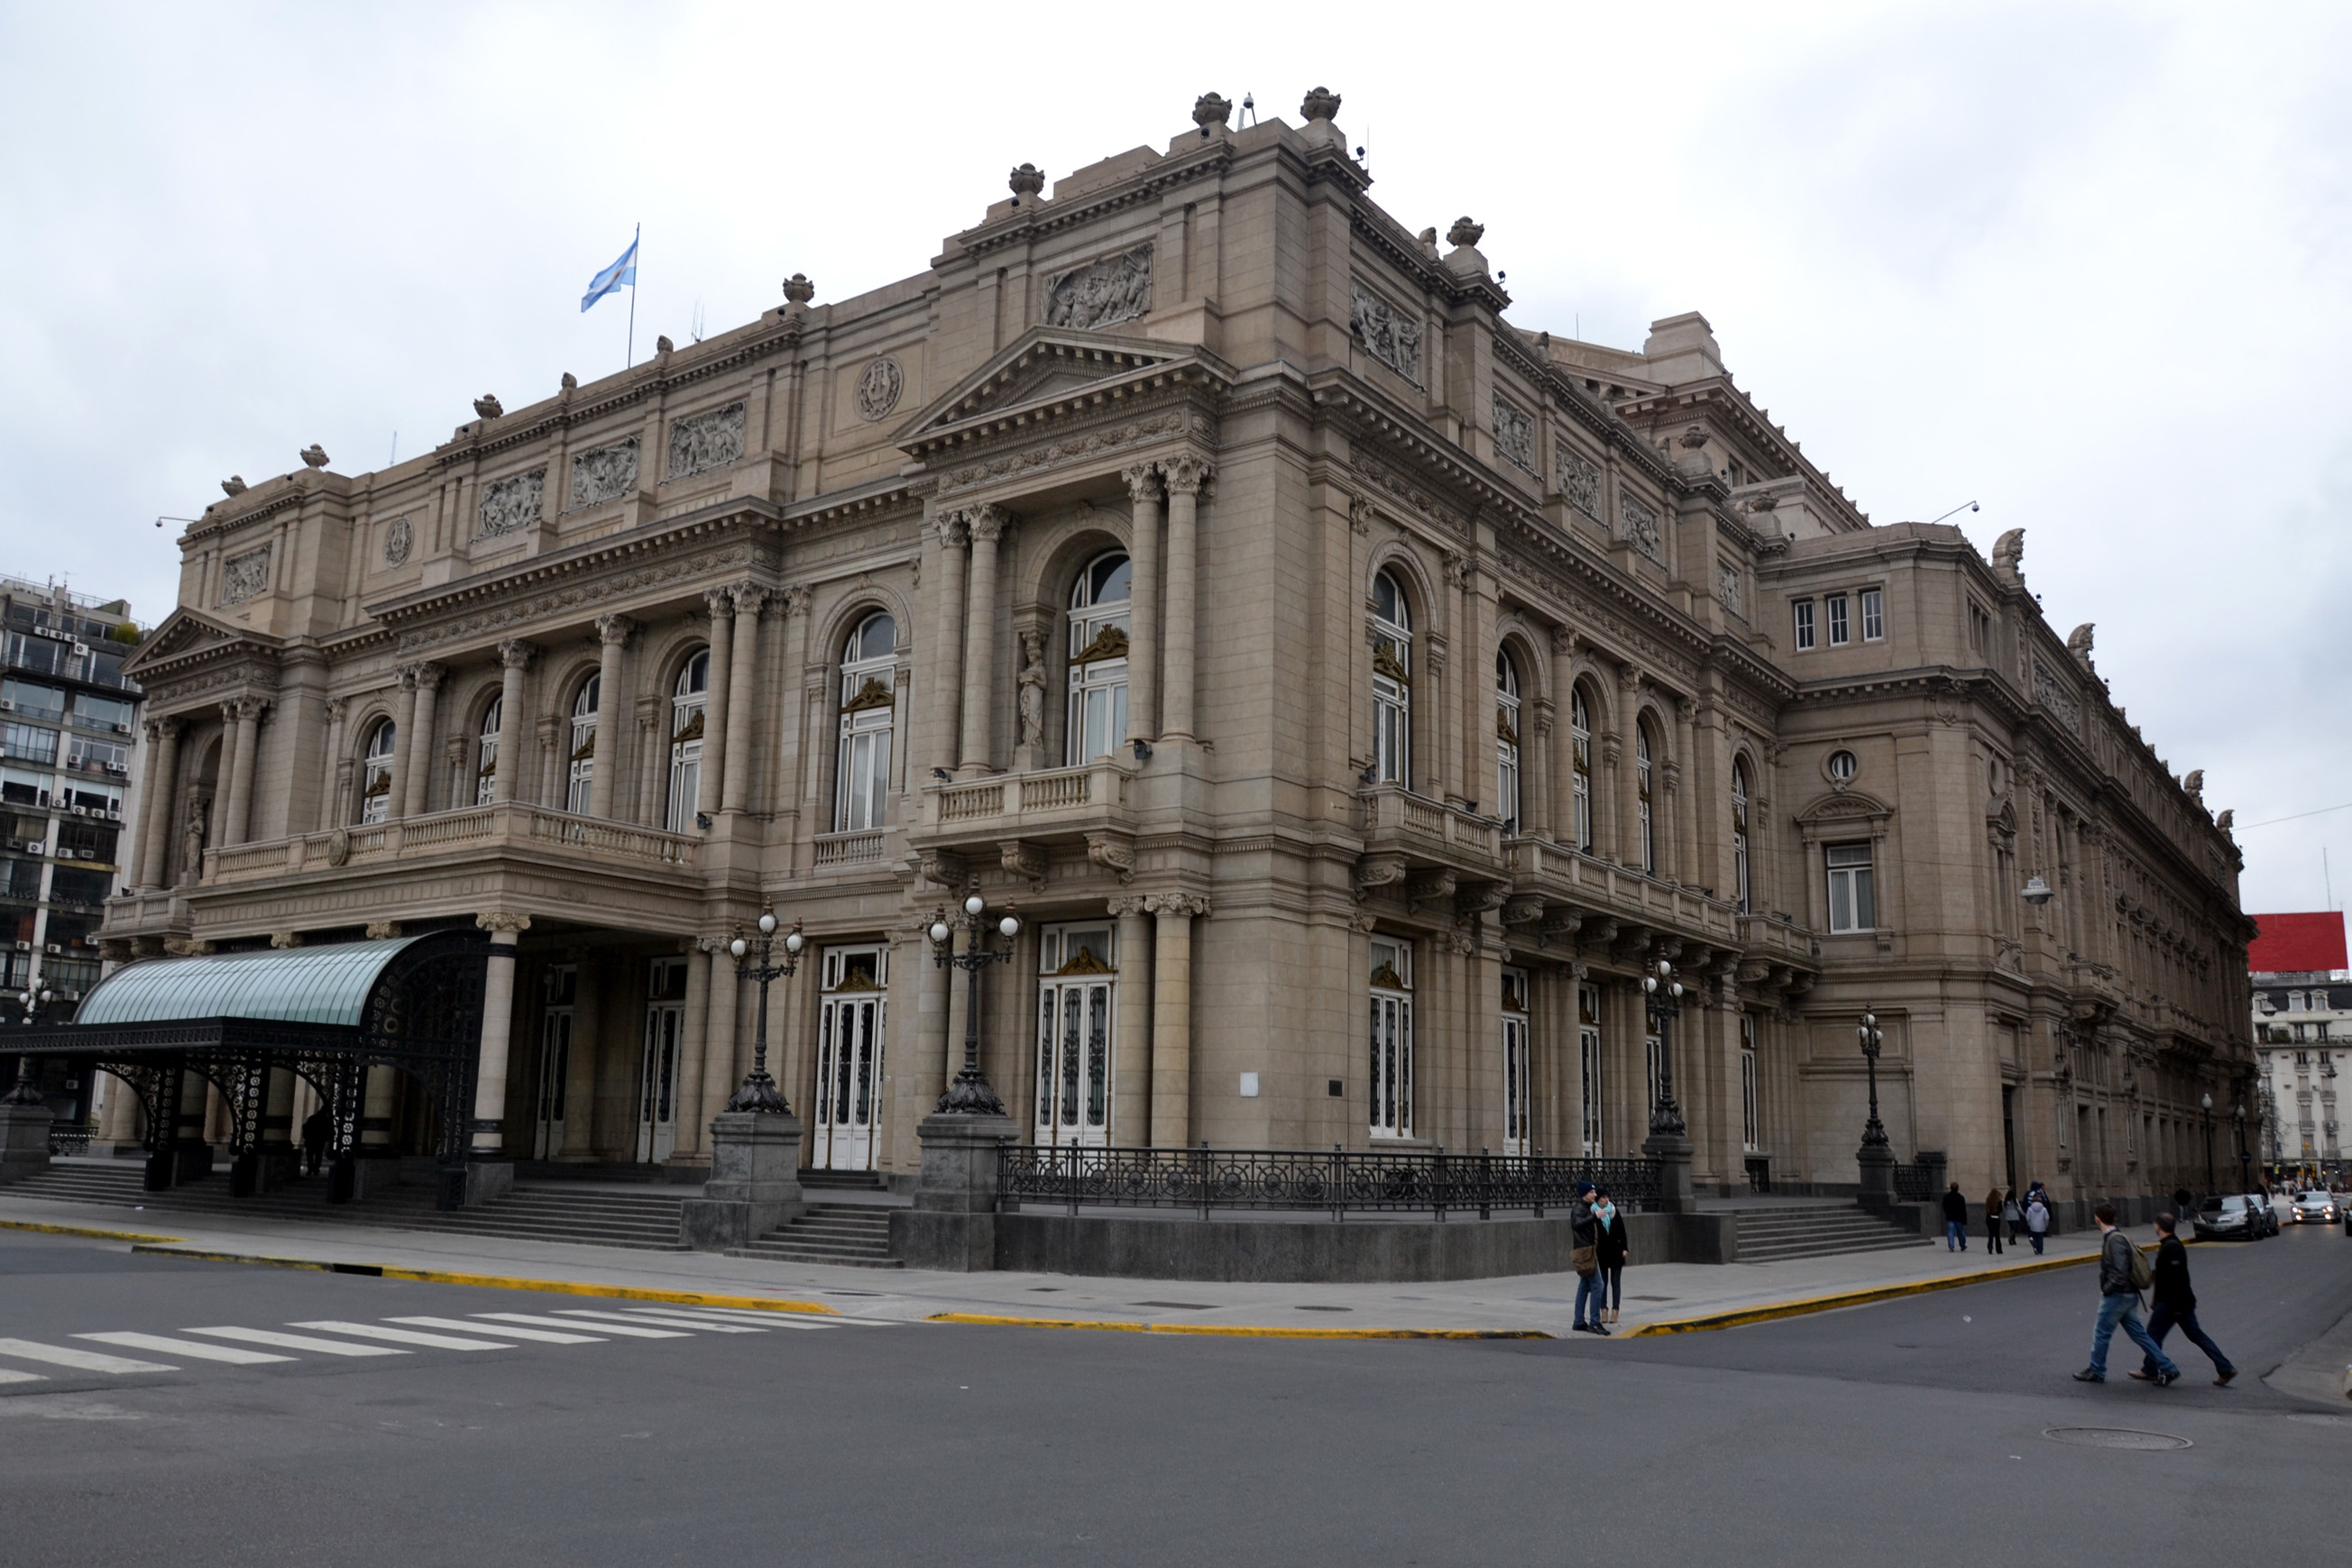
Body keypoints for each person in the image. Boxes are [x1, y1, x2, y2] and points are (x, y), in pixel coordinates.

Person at [2074, 1202, 2179, 1385]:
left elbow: (2120, 1270)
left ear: (2097, 1219)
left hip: (2118, 1295)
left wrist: (2107, 1289)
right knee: (2140, 1335)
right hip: (2128, 1295)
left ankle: (2097, 1370)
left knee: (2101, 1333)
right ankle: (2168, 1367)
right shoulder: (2117, 1237)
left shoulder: (2115, 1240)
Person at [2135, 1212, 2236, 1387]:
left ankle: (2154, 1369)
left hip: (2173, 1303)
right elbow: (2166, 1273)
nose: (2154, 1226)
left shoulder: (2172, 1247)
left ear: (2159, 1226)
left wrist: (2176, 1307)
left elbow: (2177, 1279)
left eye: (2155, 1224)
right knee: (2188, 1335)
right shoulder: (2170, 1244)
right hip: (2177, 1302)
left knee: (2152, 1335)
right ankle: (2224, 1368)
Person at [1570, 1181, 1607, 1335]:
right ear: (1584, 1194)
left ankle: (1579, 1321)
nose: (1595, 1195)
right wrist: (1594, 1217)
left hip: (1588, 1251)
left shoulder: (1586, 1208)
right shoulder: (1579, 1209)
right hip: (1585, 1252)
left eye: (1595, 1192)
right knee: (1598, 1285)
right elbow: (1577, 1224)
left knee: (1584, 1286)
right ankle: (1595, 1322)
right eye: (1592, 1192)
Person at [1594, 1187, 1630, 1326]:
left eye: (1607, 1197)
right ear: (1598, 1199)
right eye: (1603, 1197)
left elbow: (1622, 1230)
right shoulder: (1594, 1213)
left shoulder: (1614, 1211)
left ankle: (1615, 1311)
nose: (1606, 1200)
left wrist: (1625, 1248)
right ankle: (1603, 1310)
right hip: (1601, 1252)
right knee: (1602, 1283)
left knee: (1615, 1282)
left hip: (1616, 1251)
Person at [299, 1105, 331, 1178]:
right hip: (319, 1140)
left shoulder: (312, 1118)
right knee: (318, 1155)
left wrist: (306, 1136)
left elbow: (305, 1127)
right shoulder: (326, 1120)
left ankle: (310, 1168)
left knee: (310, 1156)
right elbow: (328, 1130)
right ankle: (316, 1169)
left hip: (311, 1140)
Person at [1942, 1182, 1969, 1251]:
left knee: (1950, 1232)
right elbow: (1963, 1209)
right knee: (1961, 1232)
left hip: (1950, 1217)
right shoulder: (1960, 1197)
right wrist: (1965, 1219)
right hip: (1959, 1218)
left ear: (1950, 1188)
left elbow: (1944, 1206)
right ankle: (1962, 1245)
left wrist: (1947, 1213)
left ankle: (1951, 1246)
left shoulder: (1946, 1197)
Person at [2025, 1189, 2050, 1254]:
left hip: (2033, 1225)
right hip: (2041, 1225)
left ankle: (2035, 1246)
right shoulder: (2044, 1209)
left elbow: (2028, 1218)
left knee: (2034, 1237)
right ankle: (2040, 1250)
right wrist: (2046, 1224)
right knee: (2040, 1238)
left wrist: (2029, 1224)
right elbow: (2046, 1218)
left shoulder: (2030, 1208)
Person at [1985, 1186, 2007, 1255]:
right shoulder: (1999, 1201)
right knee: (1997, 1235)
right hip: (1996, 1218)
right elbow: (2001, 1210)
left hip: (1989, 1218)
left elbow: (1987, 1210)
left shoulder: (1988, 1200)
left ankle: (1990, 1248)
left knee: (1991, 1234)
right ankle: (1999, 1249)